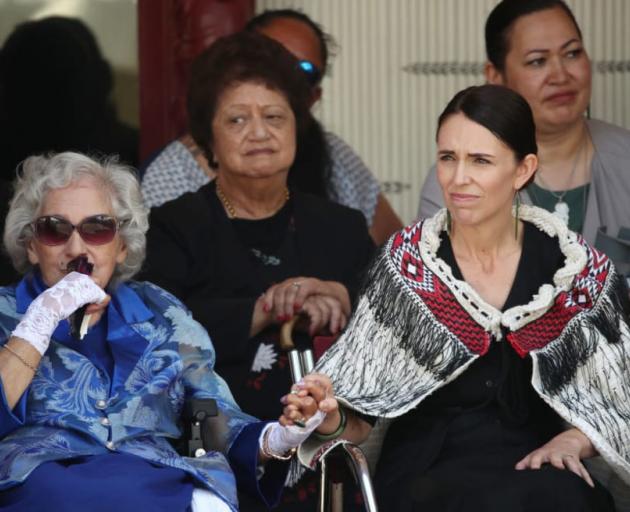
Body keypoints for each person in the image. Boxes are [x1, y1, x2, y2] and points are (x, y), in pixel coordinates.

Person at [286, 85, 630, 511]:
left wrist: (576, 439)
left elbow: (620, 398)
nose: (458, 177)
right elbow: (359, 415)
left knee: (573, 501)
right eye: (448, 158)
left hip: (537, 461)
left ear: (523, 170)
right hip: (427, 470)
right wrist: (327, 414)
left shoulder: (572, 267)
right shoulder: (407, 263)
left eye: (480, 161)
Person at [0, 152, 325, 512]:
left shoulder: (160, 311)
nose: (76, 248)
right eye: (54, 230)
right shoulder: (4, 313)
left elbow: (206, 410)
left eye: (97, 228)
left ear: (121, 246)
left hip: (154, 482)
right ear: (31, 246)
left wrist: (275, 439)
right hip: (45, 487)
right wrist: (39, 322)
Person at [140, 32, 374, 510]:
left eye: (273, 117)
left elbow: (388, 323)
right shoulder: (173, 227)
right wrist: (266, 309)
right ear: (208, 139)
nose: (259, 132)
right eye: (237, 119)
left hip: (323, 443)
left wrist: (339, 294)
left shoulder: (341, 227)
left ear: (296, 128)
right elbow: (155, 336)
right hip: (209, 444)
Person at [141, 8, 402, 245]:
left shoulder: (337, 163)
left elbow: (398, 258)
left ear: (313, 97)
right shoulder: (172, 193)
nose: (259, 132)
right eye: (238, 119)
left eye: (302, 70)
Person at [418, 0, 630, 264]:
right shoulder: (458, 180)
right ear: (495, 76)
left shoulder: (625, 159)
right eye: (537, 61)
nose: (561, 75)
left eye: (572, 53)